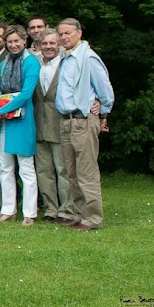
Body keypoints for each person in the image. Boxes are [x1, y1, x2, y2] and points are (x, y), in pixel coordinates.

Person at [54, 18, 114, 232]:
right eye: (61, 34)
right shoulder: (65, 57)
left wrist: (103, 111)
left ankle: (93, 218)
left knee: (86, 172)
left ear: (79, 33)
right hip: (66, 121)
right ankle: (79, 215)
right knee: (71, 172)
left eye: (68, 33)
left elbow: (105, 90)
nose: (64, 37)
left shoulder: (88, 58)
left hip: (83, 120)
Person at [0, 24, 41, 225]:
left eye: (16, 41)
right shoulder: (4, 63)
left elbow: (27, 93)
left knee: (26, 168)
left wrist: (0, 110)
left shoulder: (31, 62)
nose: (13, 45)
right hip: (1, 122)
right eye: (9, 42)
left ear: (24, 41)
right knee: (5, 168)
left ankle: (29, 212)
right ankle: (7, 209)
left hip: (21, 120)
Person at [32, 29, 73, 223]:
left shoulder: (67, 64)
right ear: (39, 46)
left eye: (52, 43)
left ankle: (67, 209)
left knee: (63, 170)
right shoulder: (35, 64)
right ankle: (50, 209)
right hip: (38, 123)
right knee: (43, 170)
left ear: (59, 45)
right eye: (45, 44)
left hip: (59, 123)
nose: (48, 47)